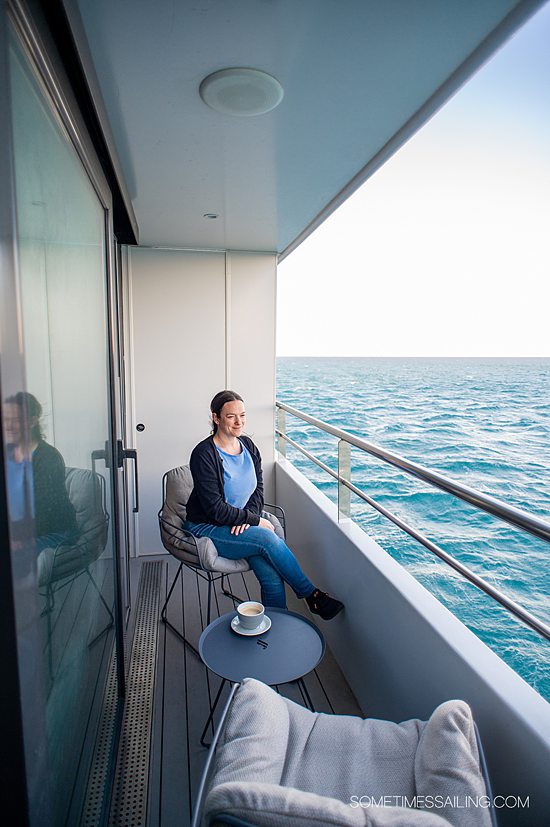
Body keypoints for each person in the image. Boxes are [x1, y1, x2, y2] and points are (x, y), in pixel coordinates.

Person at [184, 390, 344, 619]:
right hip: (206, 527)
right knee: (268, 538)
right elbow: (214, 508)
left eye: (242, 415)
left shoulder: (248, 445)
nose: (239, 422)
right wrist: (254, 520)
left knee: (270, 574)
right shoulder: (203, 454)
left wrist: (247, 517)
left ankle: (276, 626)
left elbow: (258, 488)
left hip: (237, 524)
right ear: (216, 418)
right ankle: (312, 596)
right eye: (230, 417)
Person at [5, 392, 77, 550]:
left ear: (32, 421)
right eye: (6, 420)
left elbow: (42, 510)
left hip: (55, 532)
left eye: (16, 420)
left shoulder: (48, 457)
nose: (8, 426)